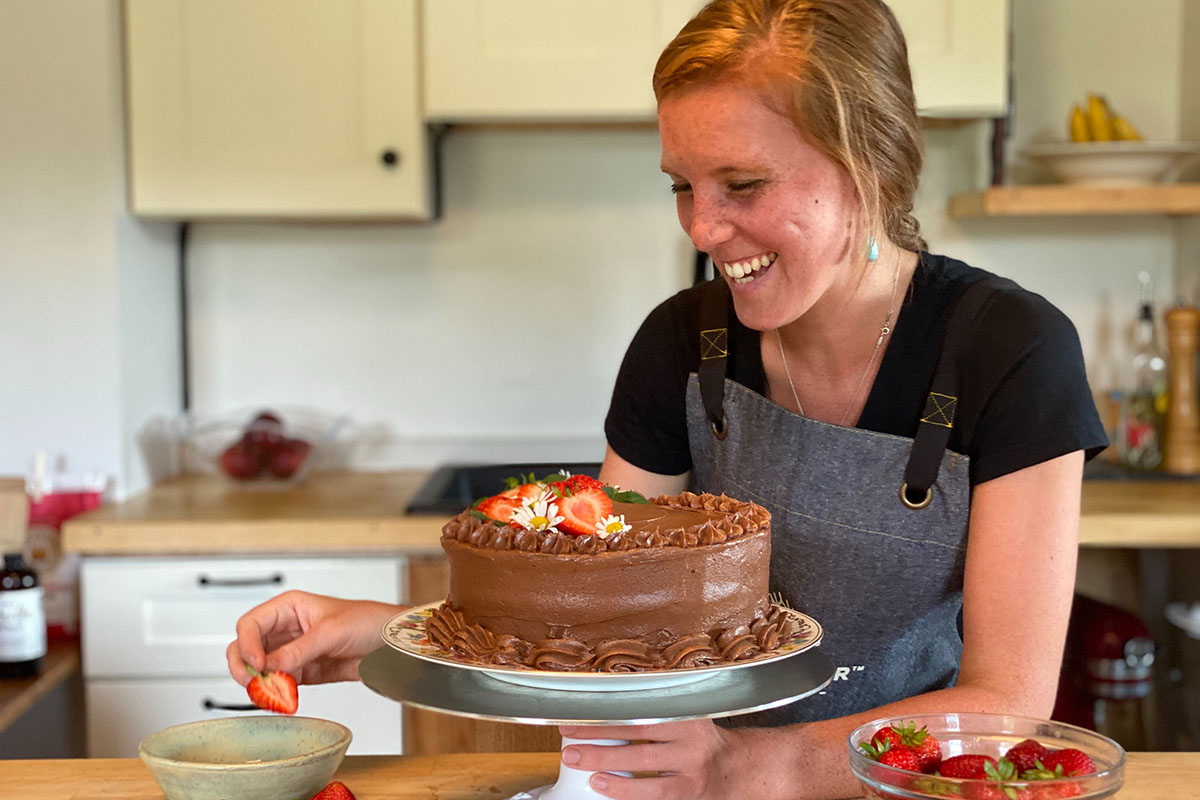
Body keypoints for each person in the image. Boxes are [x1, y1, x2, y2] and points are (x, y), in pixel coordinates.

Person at [229, 1, 1107, 797]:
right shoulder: (683, 344)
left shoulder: (1010, 351)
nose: (702, 228)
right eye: (682, 184)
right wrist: (397, 635)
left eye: (743, 184)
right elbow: (596, 611)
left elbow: (1007, 705)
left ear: (866, 163)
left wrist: (749, 766)